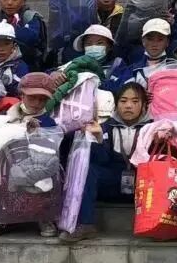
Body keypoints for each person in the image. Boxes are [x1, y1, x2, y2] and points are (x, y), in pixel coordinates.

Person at [60, 80, 151, 243]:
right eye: (123, 101)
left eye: (135, 101)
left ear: (144, 105)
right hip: (112, 184)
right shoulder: (105, 127)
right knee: (89, 169)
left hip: (142, 187)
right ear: (116, 105)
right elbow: (102, 160)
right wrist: (99, 139)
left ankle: (156, 224)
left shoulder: (153, 128)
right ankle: (86, 224)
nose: (128, 106)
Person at [0, 72, 60, 238]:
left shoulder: (49, 122)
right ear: (21, 95)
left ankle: (43, 217)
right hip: (6, 165)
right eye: (32, 98)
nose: (37, 103)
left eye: (42, 99)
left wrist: (37, 133)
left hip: (36, 167)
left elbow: (51, 147)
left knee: (43, 178)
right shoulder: (6, 116)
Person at [106, 18, 172, 91]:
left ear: (167, 42)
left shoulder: (176, 68)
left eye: (160, 39)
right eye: (150, 39)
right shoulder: (132, 71)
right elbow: (109, 87)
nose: (154, 44)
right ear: (143, 41)